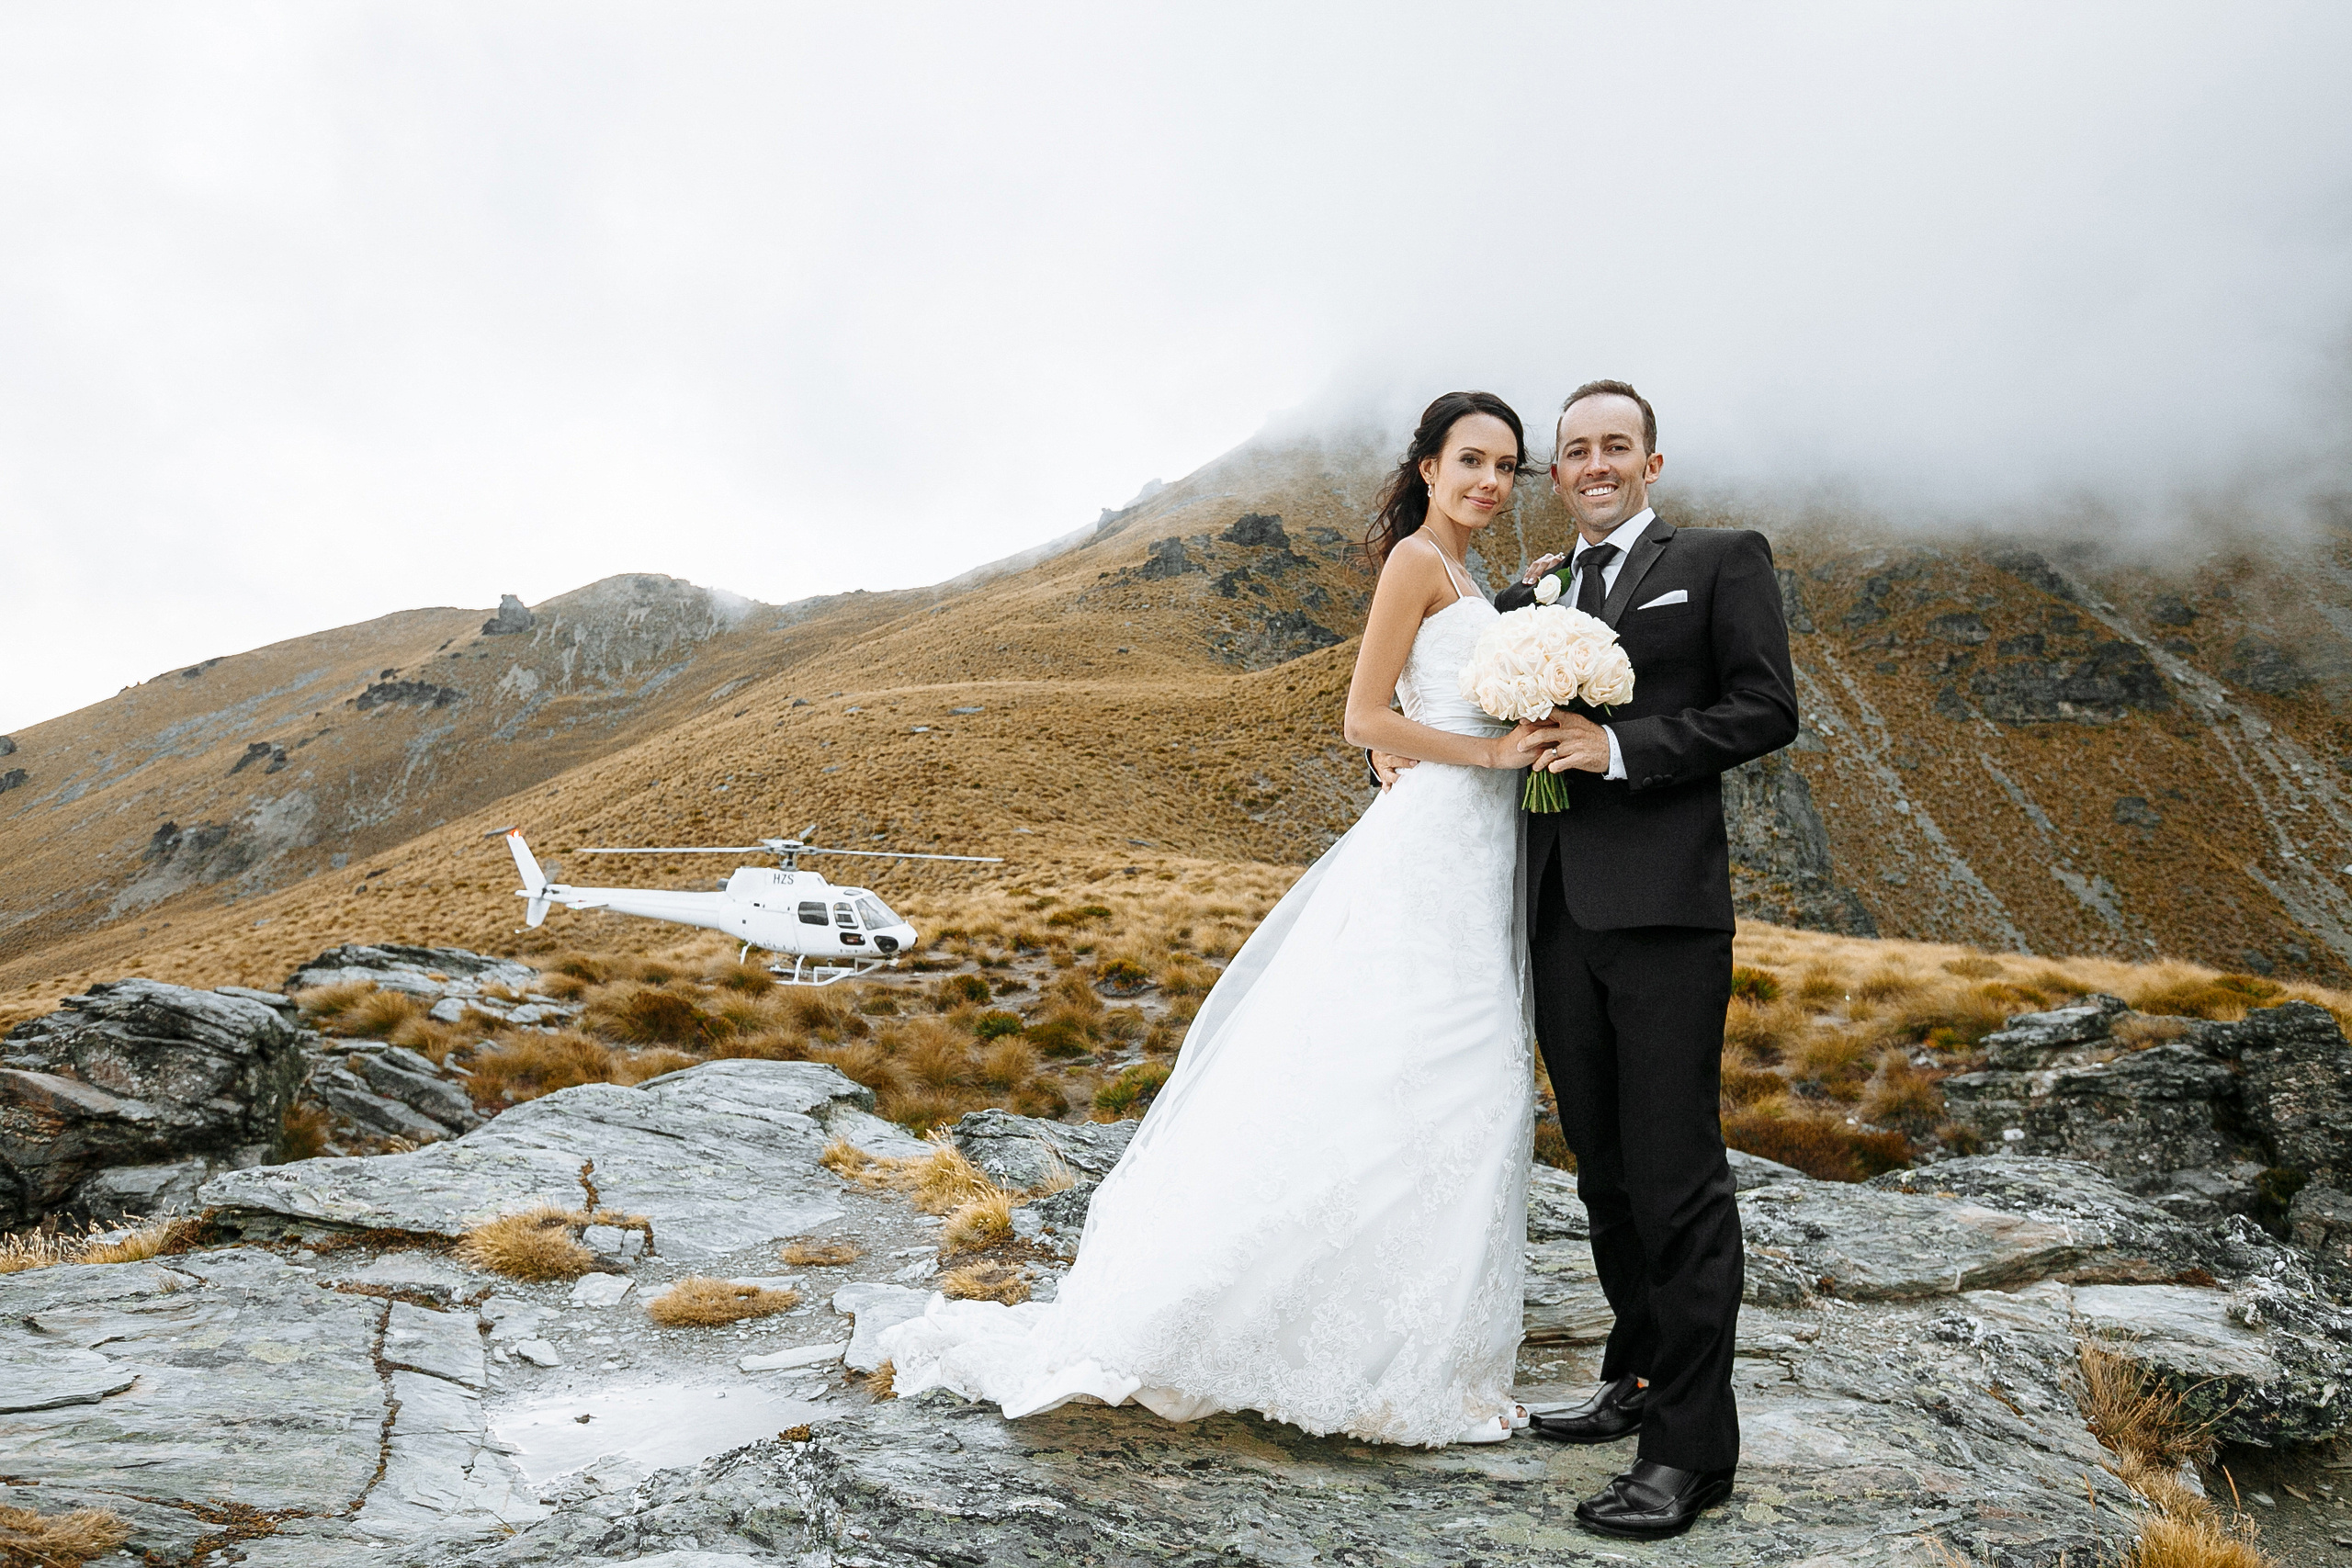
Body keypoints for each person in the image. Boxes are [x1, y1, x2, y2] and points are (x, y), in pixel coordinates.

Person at [873, 391, 1555, 1446]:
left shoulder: (1471, 578)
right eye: (1472, 460)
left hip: (1479, 851)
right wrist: (1490, 752)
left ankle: (1419, 1346)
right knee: (1414, 1060)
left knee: (1463, 1075)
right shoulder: (1416, 562)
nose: (1490, 482)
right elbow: (1363, 716)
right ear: (1428, 466)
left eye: (1506, 466)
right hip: (1430, 843)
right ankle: (1324, 1339)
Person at [1381, 379, 1798, 1539]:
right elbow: (1445, 703)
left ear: (1651, 463)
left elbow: (1765, 708)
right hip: (1551, 913)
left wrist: (1619, 748)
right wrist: (1392, 754)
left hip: (1663, 915)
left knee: (1675, 1175)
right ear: (1555, 473)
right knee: (1604, 1170)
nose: (1595, 464)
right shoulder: (1529, 593)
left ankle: (1689, 1454)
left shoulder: (1717, 560)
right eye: (1574, 451)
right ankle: (1637, 1374)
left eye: (1617, 446)